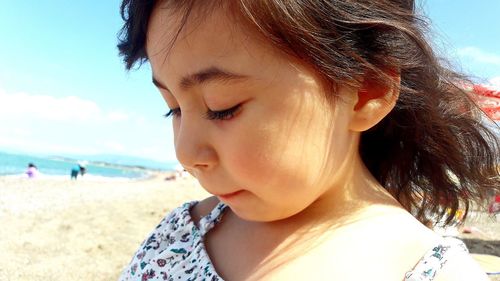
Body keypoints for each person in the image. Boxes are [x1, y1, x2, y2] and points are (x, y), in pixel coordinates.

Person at [116, 1, 500, 280]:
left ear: (367, 91)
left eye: (222, 107)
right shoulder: (183, 232)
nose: (185, 153)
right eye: (173, 109)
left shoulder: (433, 272)